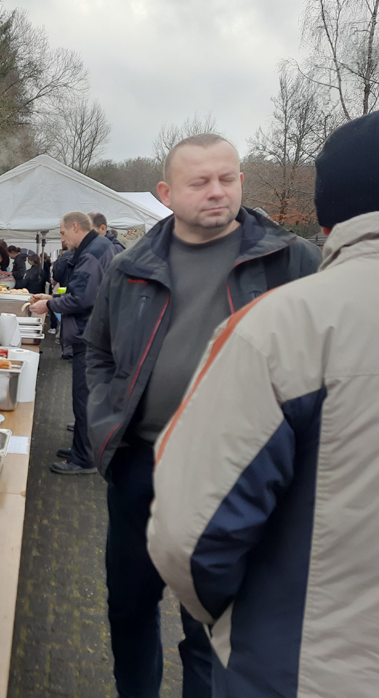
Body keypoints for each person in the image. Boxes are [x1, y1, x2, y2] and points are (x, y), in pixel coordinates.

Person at [84, 133, 320, 698]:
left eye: (227, 178)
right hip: (141, 465)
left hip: (240, 471)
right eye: (200, 182)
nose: (218, 191)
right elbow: (98, 351)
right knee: (129, 606)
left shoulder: (291, 260)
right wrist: (103, 422)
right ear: (166, 193)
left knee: (212, 623)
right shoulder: (130, 267)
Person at [29, 212, 114, 475]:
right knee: (86, 397)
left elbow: (81, 298)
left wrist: (49, 305)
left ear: (75, 227)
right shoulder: (98, 248)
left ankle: (84, 458)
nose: (62, 239)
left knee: (84, 398)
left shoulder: (91, 253)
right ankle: (82, 448)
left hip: (89, 335)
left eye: (63, 233)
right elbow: (84, 291)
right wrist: (53, 297)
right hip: (95, 333)